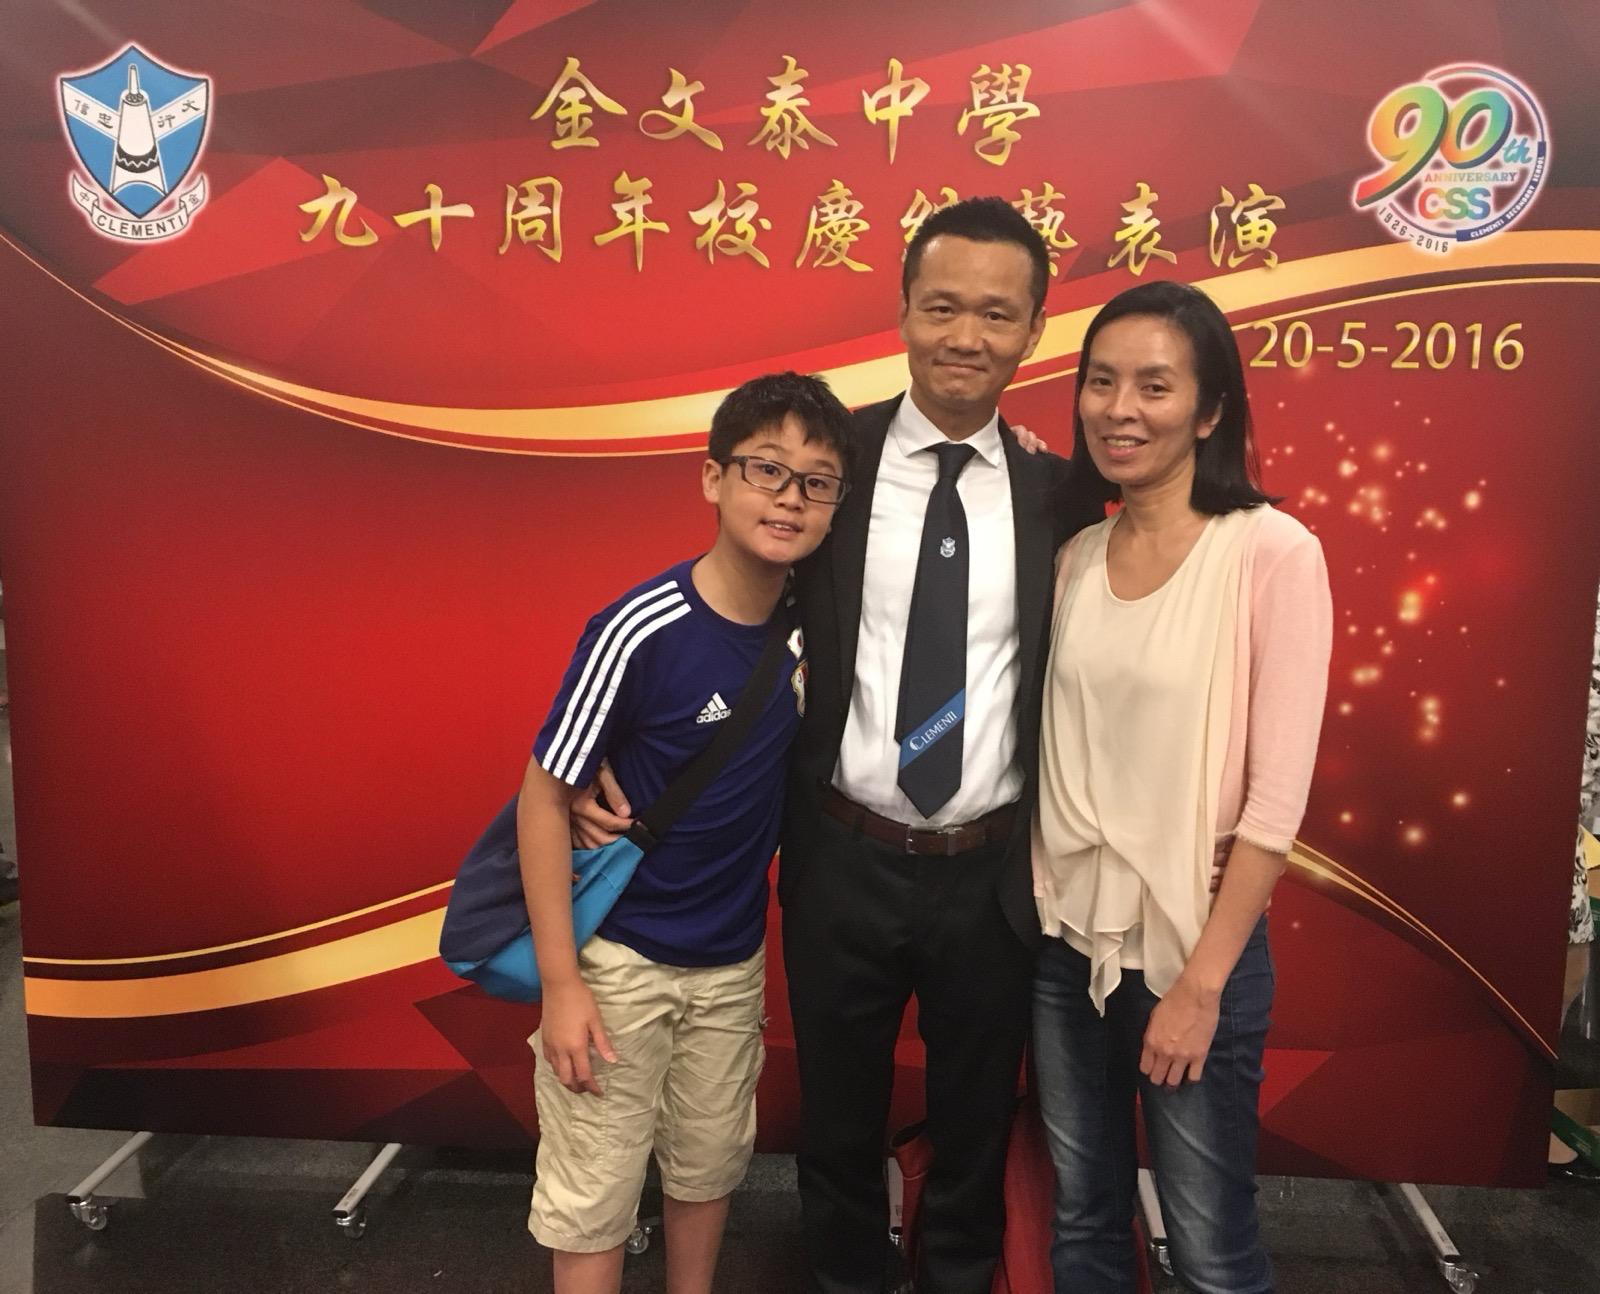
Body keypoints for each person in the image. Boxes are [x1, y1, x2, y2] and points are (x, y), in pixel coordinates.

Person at [574, 197, 1102, 1293]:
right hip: (842, 856)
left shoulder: (1059, 490)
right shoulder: (829, 463)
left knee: (973, 1119)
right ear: (903, 311)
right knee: (838, 1119)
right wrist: (612, 763)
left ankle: (956, 1277)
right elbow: (725, 605)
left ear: (1034, 329)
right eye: (942, 306)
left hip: (991, 871)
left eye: (996, 313)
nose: (966, 336)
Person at [517, 371, 853, 1294]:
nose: (789, 498)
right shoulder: (641, 627)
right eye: (766, 470)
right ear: (713, 477)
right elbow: (544, 799)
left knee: (708, 1168)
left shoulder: (817, 625)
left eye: (816, 482)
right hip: (618, 965)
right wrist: (561, 986)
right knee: (594, 1190)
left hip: (731, 965)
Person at [1030, 280, 1332, 1294]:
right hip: (1066, 945)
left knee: (1209, 1246)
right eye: (1101, 381)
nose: (1121, 409)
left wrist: (1200, 987)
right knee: (1083, 1217)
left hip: (1193, 952)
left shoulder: (1271, 553)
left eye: (1154, 386)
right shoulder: (1075, 557)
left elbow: (1275, 806)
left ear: (1209, 413)